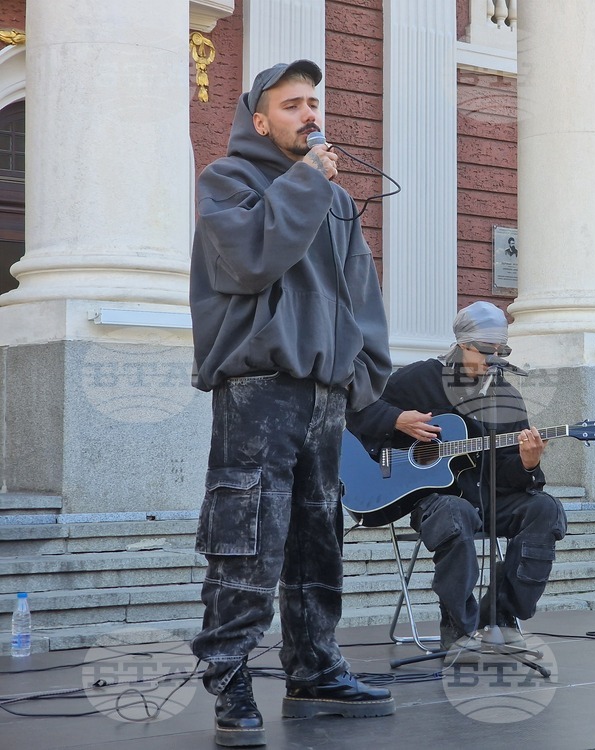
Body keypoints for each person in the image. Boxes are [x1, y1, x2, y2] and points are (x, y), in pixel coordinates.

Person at [188, 59, 394, 747]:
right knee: (248, 535)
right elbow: (251, 259)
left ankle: (314, 665)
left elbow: (360, 298)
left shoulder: (334, 199)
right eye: (290, 105)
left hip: (324, 394)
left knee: (317, 539)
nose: (309, 114)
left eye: (313, 103)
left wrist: (362, 375)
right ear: (259, 119)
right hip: (259, 390)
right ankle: (230, 674)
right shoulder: (229, 182)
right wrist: (308, 180)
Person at [347, 301, 567, 662]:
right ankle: (457, 627)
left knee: (544, 509)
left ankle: (499, 617)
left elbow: (509, 471)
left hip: (490, 498)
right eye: (486, 351)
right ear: (463, 344)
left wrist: (528, 464)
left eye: (503, 351)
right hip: (435, 500)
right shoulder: (419, 378)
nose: (495, 359)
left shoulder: (506, 397)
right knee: (455, 512)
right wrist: (397, 419)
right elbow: (357, 409)